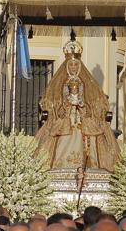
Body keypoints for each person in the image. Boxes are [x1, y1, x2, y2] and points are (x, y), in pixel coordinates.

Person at [35, 39, 120, 171]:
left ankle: (89, 164)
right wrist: (64, 106)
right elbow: (52, 100)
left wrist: (83, 105)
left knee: (91, 131)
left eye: (75, 65)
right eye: (71, 65)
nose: (73, 67)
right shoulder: (59, 82)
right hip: (65, 117)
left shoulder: (87, 83)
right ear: (67, 66)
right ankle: (60, 166)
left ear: (79, 66)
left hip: (82, 117)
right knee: (59, 130)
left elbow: (96, 100)